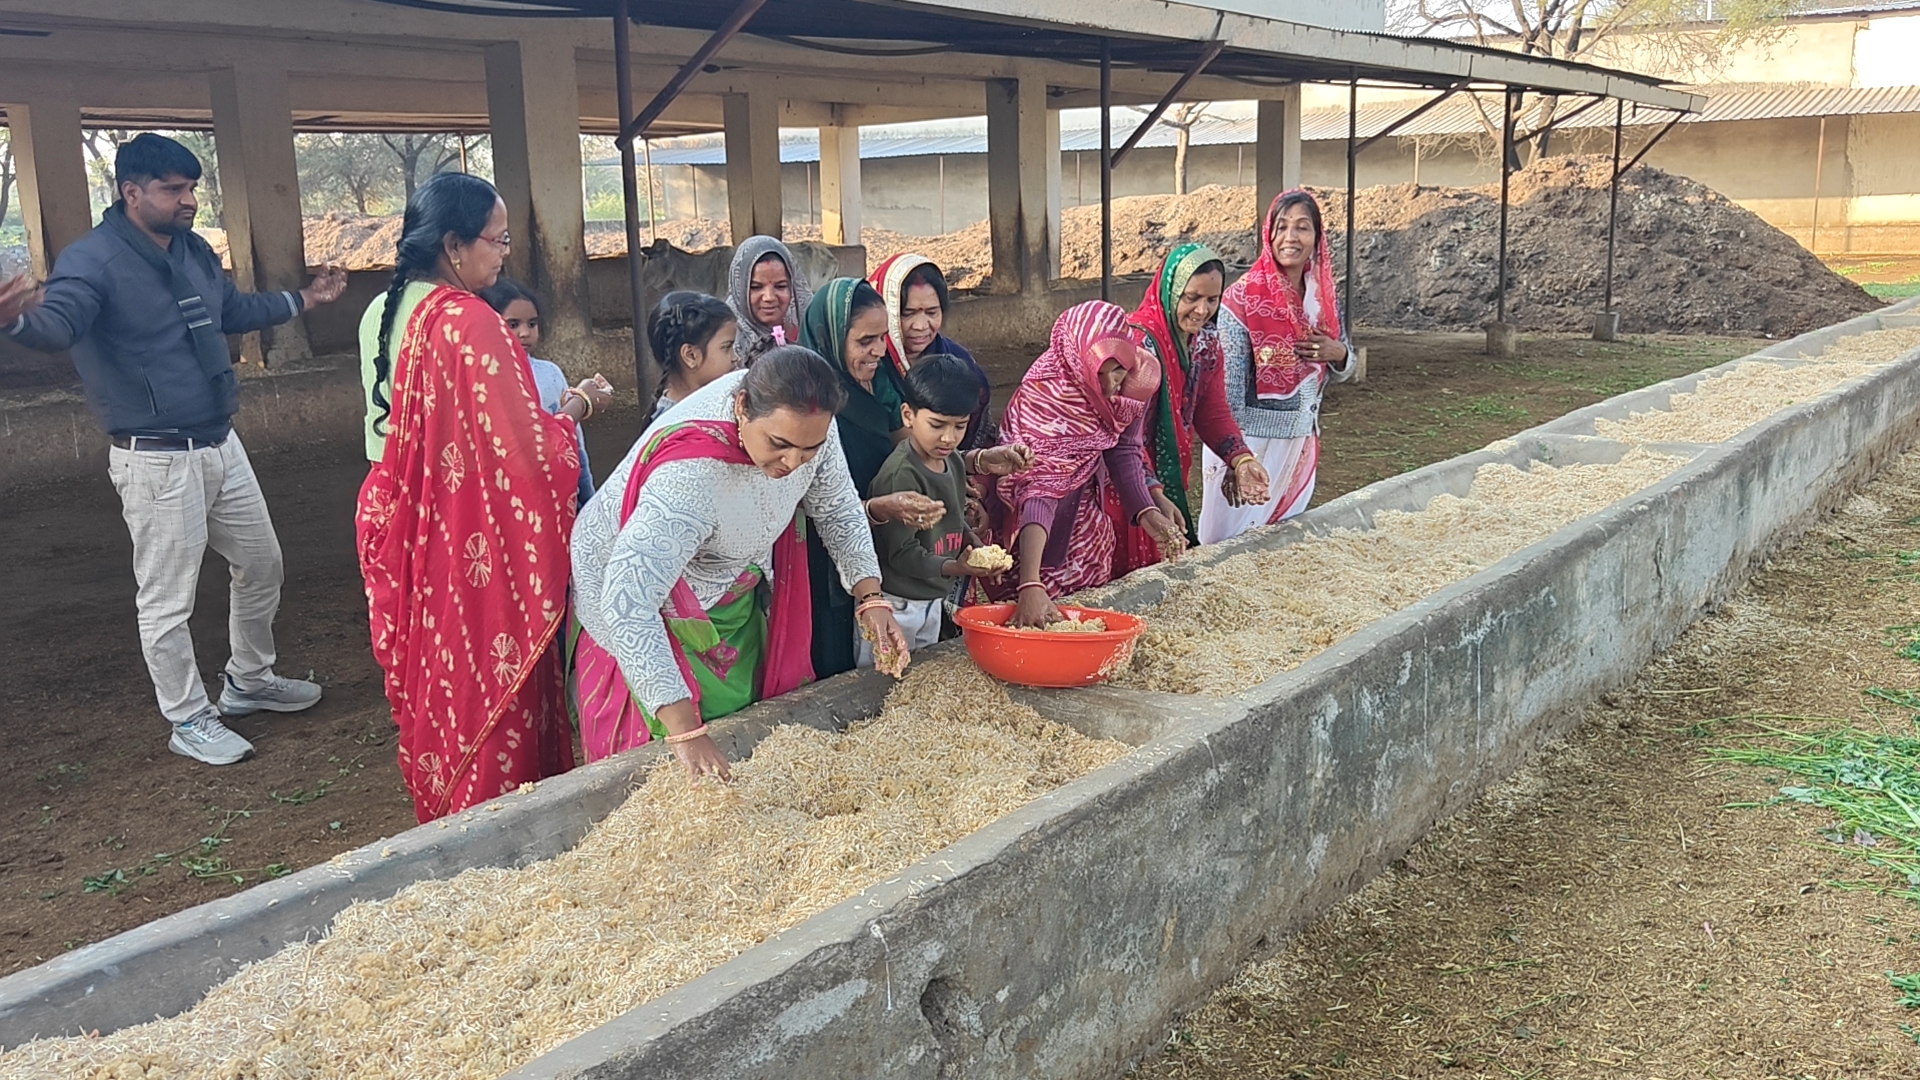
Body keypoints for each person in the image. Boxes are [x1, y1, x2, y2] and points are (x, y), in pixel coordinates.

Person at [0, 133, 348, 766]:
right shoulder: (93, 261)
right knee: (167, 598)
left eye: (191, 188)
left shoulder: (192, 250)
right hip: (156, 456)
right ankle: (187, 717)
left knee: (262, 564)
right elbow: (60, 323)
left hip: (219, 439)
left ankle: (249, 680)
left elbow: (232, 310)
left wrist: (304, 299)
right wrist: (16, 321)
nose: (188, 200)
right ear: (131, 192)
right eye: (173, 189)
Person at [356, 172, 594, 823]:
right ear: (455, 246)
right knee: (487, 682)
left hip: (405, 522)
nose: (505, 254)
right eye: (499, 240)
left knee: (440, 682)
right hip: (464, 537)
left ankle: (449, 815)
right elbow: (529, 455)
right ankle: (498, 822)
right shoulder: (469, 321)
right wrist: (574, 410)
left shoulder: (397, 311)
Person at [569, 346, 912, 778]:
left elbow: (837, 505)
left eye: (809, 450)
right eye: (779, 445)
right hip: (637, 593)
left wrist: (870, 596)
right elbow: (629, 603)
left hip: (728, 579)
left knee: (739, 724)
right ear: (742, 407)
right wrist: (686, 732)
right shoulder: (688, 480)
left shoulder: (806, 420)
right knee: (657, 759)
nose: (793, 464)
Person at [985, 301, 1185, 628]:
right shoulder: (1047, 396)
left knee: (1083, 610)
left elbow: (1124, 449)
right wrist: (1030, 582)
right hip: (1032, 527)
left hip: (1087, 512)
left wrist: (1147, 511)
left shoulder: (1139, 376)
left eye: (1118, 370)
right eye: (1099, 373)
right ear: (1078, 362)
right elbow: (1040, 489)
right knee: (1038, 619)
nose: (1109, 385)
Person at [1202, 189, 1355, 544]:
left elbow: (1343, 365)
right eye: (1282, 226)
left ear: (1317, 237)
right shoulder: (1241, 299)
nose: (1291, 237)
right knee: (1228, 543)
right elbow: (1227, 389)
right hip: (1250, 446)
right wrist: (1234, 458)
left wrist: (1339, 354)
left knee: (1280, 545)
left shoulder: (1322, 298)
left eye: (1302, 227)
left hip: (1300, 440)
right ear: (1268, 234)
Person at [1117, 243, 1271, 574]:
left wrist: (1241, 459)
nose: (1202, 310)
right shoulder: (1139, 344)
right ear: (1170, 291)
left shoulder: (1205, 341)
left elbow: (1211, 411)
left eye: (1212, 300)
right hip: (1125, 479)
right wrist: (1151, 493)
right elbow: (1124, 436)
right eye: (1192, 297)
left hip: (1168, 472)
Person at [860, 354, 1005, 668]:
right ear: (908, 415)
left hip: (932, 597)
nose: (949, 438)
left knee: (922, 672)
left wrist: (977, 550)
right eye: (937, 425)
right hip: (897, 603)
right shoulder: (901, 475)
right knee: (885, 673)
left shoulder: (951, 461)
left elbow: (954, 519)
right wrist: (957, 567)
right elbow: (902, 554)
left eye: (960, 426)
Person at [479, 277, 609, 507]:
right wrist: (582, 400)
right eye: (512, 324)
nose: (524, 333)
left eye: (532, 324)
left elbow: (575, 443)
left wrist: (588, 497)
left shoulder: (550, 374)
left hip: (558, 489)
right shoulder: (484, 379)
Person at [868, 253, 996, 450]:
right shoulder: (870, 366)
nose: (920, 326)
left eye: (931, 312)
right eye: (907, 314)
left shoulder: (959, 362)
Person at [646, 290, 737, 425]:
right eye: (726, 347)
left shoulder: (708, 409)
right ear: (691, 356)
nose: (735, 357)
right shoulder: (677, 428)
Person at [726, 235, 812, 368]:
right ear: (739, 290)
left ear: (793, 288)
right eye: (756, 287)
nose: (769, 297)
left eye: (781, 286)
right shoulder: (724, 345)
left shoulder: (808, 335)